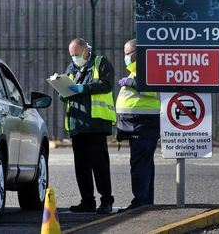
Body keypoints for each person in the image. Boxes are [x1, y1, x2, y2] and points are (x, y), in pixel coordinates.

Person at [63, 38, 116, 214]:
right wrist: (63, 92)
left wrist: (82, 88)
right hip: (77, 124)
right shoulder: (71, 68)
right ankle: (87, 201)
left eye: (77, 54)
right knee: (81, 166)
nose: (74, 58)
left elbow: (106, 85)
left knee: (99, 164)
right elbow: (67, 89)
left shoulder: (101, 63)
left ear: (86, 51)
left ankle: (106, 201)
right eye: (72, 55)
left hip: (95, 124)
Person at [116, 39, 160, 210]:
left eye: (128, 53)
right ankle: (145, 202)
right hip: (138, 125)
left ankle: (140, 202)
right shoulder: (135, 71)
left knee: (140, 166)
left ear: (137, 53)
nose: (125, 57)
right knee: (144, 166)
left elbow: (152, 88)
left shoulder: (147, 68)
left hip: (143, 125)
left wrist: (131, 83)